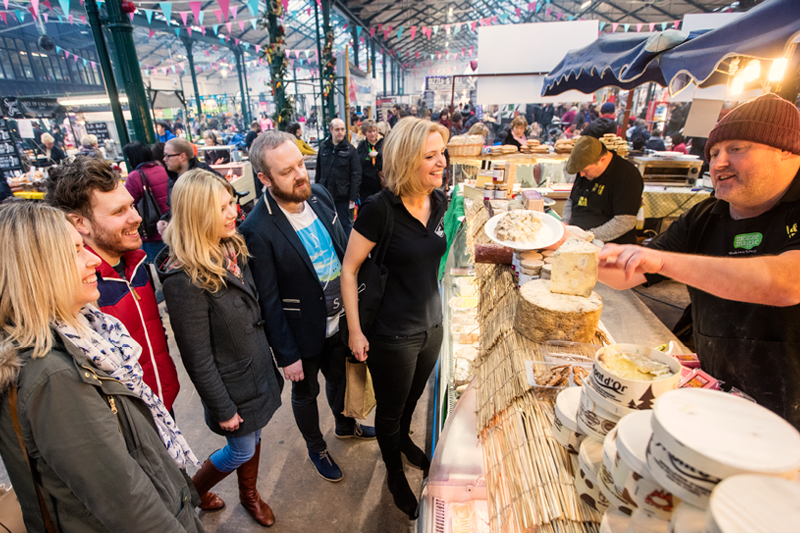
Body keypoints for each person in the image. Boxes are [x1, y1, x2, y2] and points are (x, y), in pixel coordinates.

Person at [597, 93, 800, 430]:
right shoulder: (706, 214)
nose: (718, 163)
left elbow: (787, 283)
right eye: (714, 152)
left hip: (788, 412)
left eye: (736, 148)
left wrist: (662, 261)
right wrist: (571, 250)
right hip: (719, 391)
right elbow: (628, 276)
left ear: (787, 151)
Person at [0, 202, 203, 533]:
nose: (93, 259)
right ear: (37, 271)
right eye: (76, 251)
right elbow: (127, 502)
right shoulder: (56, 376)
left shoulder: (83, 334)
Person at [240, 131, 375, 484]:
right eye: (287, 171)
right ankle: (316, 447)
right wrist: (286, 354)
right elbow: (267, 299)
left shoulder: (319, 194)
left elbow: (343, 250)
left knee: (340, 379)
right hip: (302, 332)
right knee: (306, 393)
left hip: (339, 320)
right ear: (265, 179)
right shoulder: (257, 228)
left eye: (301, 164)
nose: (301, 175)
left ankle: (345, 425)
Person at [158, 170, 283, 526]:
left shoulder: (232, 248)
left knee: (255, 435)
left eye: (232, 201)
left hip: (255, 371)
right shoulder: (184, 278)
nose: (233, 211)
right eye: (222, 206)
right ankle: (192, 494)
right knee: (240, 447)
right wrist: (223, 408)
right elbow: (196, 356)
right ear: (198, 213)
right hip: (232, 387)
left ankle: (248, 494)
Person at [341, 118, 450, 519]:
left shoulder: (438, 201)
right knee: (390, 409)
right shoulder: (378, 210)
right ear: (406, 161)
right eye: (430, 156)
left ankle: (403, 440)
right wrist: (355, 330)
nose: (441, 162)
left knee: (413, 399)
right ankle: (393, 471)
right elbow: (349, 270)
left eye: (442, 152)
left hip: (432, 328)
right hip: (393, 335)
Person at [45, 157, 181, 413]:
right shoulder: (77, 289)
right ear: (79, 223)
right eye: (119, 212)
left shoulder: (137, 262)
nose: (137, 217)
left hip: (162, 400)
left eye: (132, 206)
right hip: (127, 419)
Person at [562, 136, 643, 244]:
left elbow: (624, 222)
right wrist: (565, 225)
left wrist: (586, 236)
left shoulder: (627, 176)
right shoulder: (585, 170)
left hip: (608, 246)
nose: (581, 174)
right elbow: (572, 199)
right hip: (578, 240)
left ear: (602, 160)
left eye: (585, 170)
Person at [123, 141, 170, 262]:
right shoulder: (163, 170)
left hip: (153, 231)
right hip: (170, 225)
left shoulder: (135, 177)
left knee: (156, 263)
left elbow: (127, 202)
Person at [315, 118, 362, 235]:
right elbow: (319, 171)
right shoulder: (323, 147)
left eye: (342, 129)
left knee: (345, 224)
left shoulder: (350, 150)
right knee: (326, 223)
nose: (340, 132)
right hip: (325, 194)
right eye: (337, 129)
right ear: (331, 130)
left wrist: (353, 197)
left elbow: (356, 174)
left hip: (343, 196)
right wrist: (316, 191)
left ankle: (348, 250)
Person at [357, 119, 385, 200]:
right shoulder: (362, 146)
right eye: (369, 132)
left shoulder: (383, 143)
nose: (373, 134)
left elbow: (389, 158)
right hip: (365, 185)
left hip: (380, 183)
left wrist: (378, 155)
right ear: (365, 133)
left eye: (374, 131)